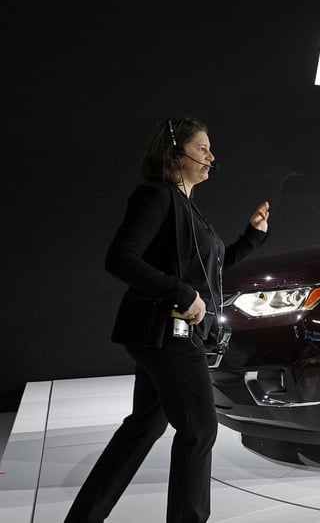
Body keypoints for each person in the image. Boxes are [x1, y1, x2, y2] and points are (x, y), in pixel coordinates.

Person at [65, 116, 270, 523]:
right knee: (199, 430)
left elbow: (206, 268)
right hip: (166, 330)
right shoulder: (156, 196)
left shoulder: (187, 207)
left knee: (143, 427)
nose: (212, 156)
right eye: (202, 148)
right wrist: (182, 294)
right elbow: (120, 258)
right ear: (174, 154)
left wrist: (251, 237)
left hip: (161, 333)